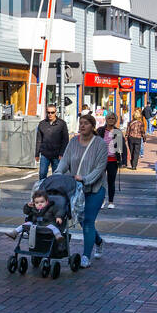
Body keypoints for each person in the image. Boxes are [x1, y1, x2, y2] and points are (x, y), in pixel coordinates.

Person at [57, 114, 108, 268]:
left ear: (92, 126)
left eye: (86, 123)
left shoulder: (100, 144)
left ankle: (86, 256)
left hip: (95, 188)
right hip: (76, 189)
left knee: (87, 221)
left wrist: (85, 178)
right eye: (80, 123)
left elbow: (99, 168)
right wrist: (57, 174)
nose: (82, 126)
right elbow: (65, 161)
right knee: (81, 219)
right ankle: (98, 241)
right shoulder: (73, 141)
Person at [35, 104, 69, 180]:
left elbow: (65, 140)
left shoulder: (62, 124)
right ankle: (42, 190)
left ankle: (55, 191)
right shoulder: (42, 124)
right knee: (42, 174)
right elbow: (38, 139)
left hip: (57, 154)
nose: (50, 114)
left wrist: (62, 153)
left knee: (56, 175)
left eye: (52, 112)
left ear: (55, 112)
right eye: (48, 112)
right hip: (45, 154)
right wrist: (37, 153)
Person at [99, 118, 126, 209]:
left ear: (115, 121)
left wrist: (124, 160)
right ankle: (102, 200)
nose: (111, 120)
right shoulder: (100, 130)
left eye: (113, 118)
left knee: (111, 182)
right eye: (109, 118)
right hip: (101, 160)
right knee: (100, 182)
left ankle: (111, 201)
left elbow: (123, 146)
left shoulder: (117, 131)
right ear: (106, 119)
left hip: (113, 160)